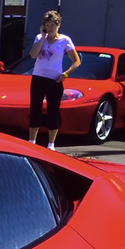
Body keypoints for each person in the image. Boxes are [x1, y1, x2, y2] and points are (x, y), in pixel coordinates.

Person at [25, 10, 80, 150]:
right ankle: (32, 141)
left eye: (52, 26)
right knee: (35, 108)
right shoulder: (40, 37)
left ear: (58, 25)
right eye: (47, 25)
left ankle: (51, 143)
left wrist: (66, 74)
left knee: (53, 110)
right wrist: (43, 37)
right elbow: (33, 55)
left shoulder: (64, 40)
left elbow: (76, 61)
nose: (49, 29)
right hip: (38, 77)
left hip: (54, 79)